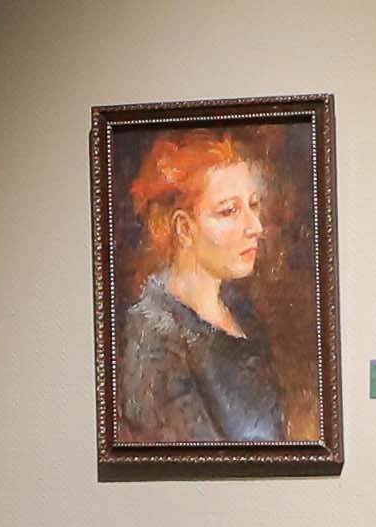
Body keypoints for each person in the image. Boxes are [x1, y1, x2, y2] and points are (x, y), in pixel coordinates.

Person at [111, 126, 302, 446]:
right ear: (184, 228)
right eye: (229, 211)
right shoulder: (152, 336)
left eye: (253, 206)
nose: (255, 227)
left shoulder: (243, 314)